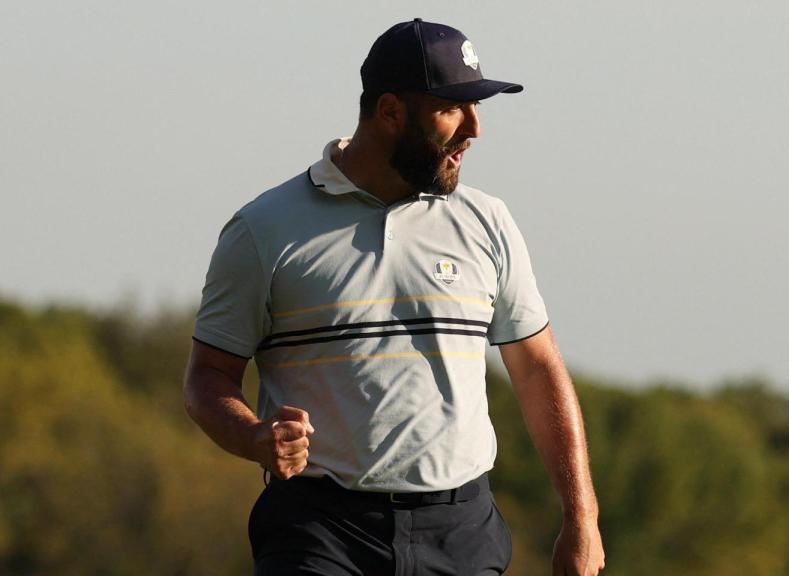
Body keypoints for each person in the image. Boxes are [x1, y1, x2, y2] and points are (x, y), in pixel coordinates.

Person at [183, 18, 605, 576]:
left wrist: (582, 520)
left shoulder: (489, 222)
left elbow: (538, 372)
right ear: (389, 114)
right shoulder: (262, 230)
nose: (474, 129)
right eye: (454, 109)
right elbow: (207, 378)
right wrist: (252, 435)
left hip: (462, 532)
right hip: (318, 530)